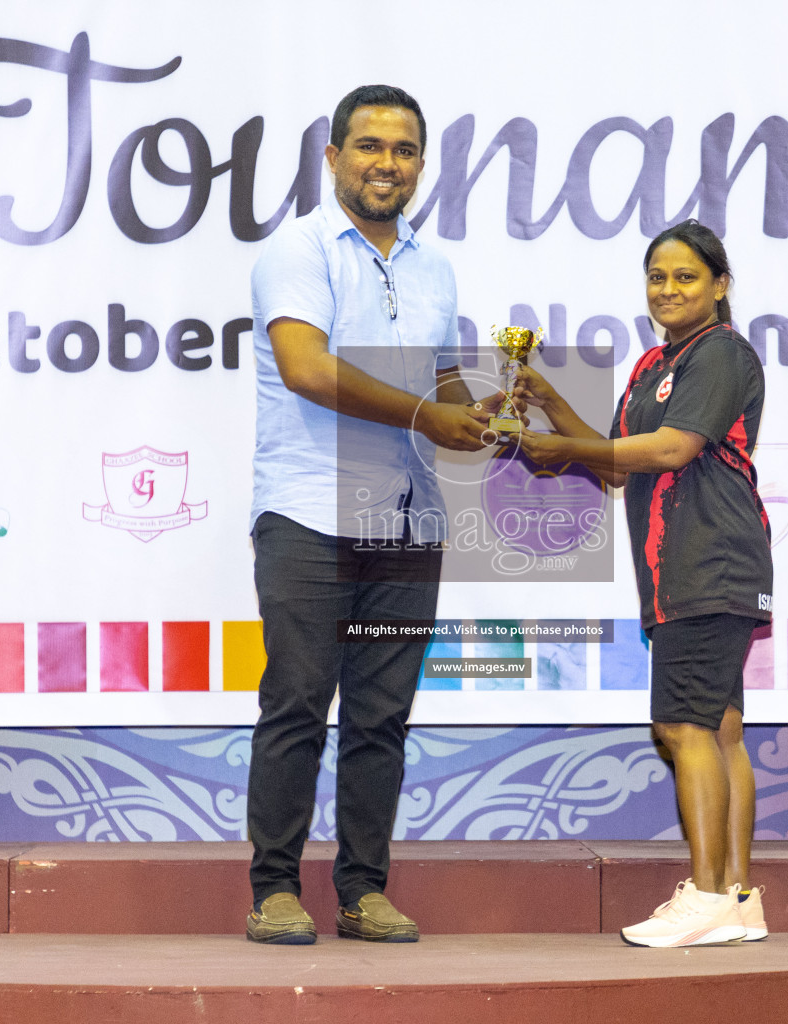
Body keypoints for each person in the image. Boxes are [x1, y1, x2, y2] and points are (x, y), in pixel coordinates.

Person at [246, 84, 500, 944]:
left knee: (382, 716)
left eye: (403, 150)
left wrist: (504, 415)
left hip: (405, 522)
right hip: (308, 513)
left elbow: (445, 384)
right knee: (296, 701)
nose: (386, 164)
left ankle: (362, 891)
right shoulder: (298, 249)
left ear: (422, 165)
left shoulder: (435, 267)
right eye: (368, 147)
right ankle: (275, 890)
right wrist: (431, 415)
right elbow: (308, 369)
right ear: (333, 158)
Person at [518, 219, 773, 948]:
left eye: (686, 276)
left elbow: (671, 448)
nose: (668, 289)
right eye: (657, 277)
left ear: (720, 285)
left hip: (709, 564)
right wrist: (542, 402)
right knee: (720, 730)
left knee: (683, 727)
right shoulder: (653, 365)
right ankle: (739, 902)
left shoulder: (720, 353)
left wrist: (566, 446)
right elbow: (612, 458)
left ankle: (710, 896)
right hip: (685, 573)